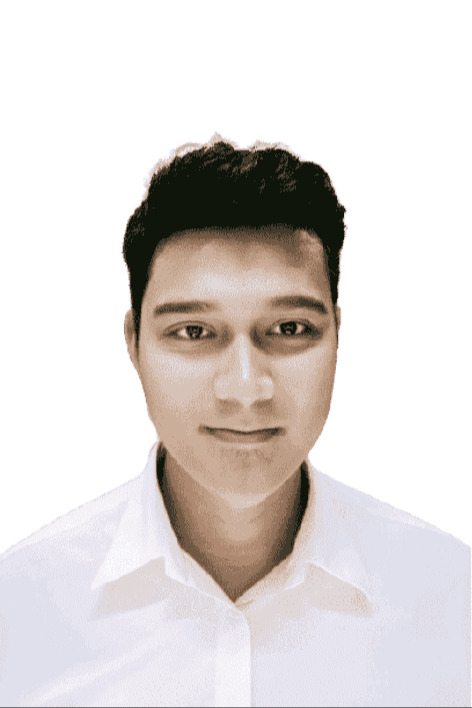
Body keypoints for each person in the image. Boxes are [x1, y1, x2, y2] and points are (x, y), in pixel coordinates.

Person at [0, 139, 469, 707]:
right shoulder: (19, 614)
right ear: (134, 342)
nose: (246, 387)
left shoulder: (453, 604)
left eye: (290, 329)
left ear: (337, 337)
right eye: (194, 332)